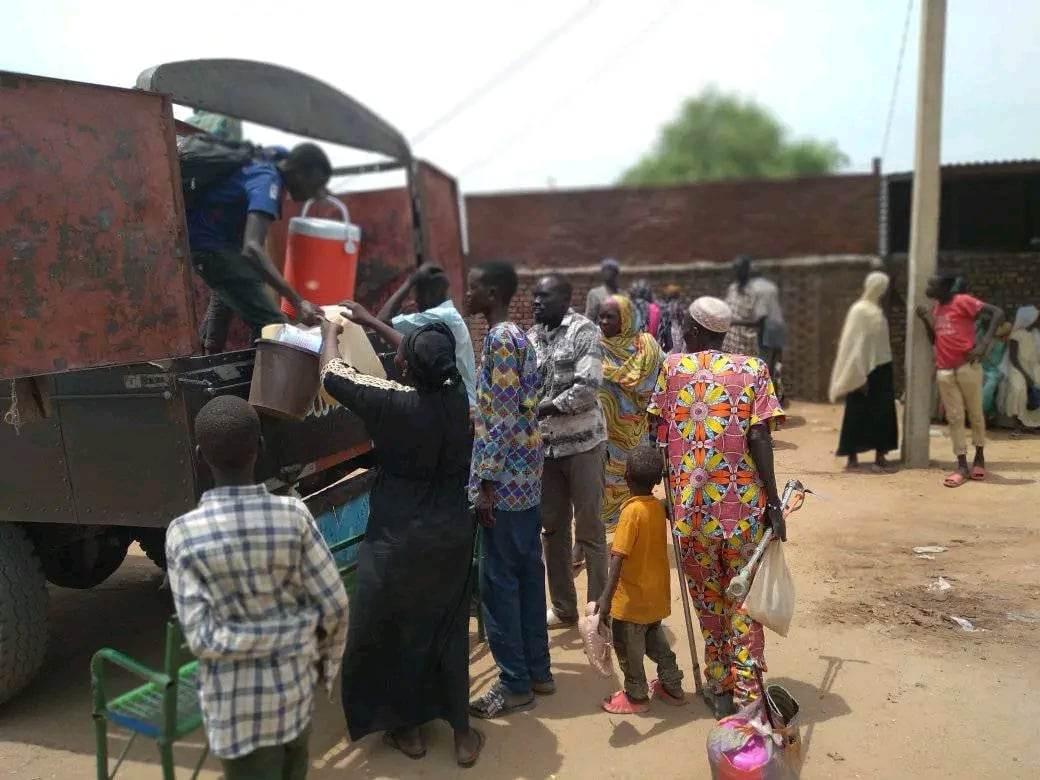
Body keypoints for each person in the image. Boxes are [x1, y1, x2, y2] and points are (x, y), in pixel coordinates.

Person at [319, 319, 484, 767]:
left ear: (408, 370)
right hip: (450, 536)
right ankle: (463, 734)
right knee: (447, 630)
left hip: (397, 537)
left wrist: (329, 331)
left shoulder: (391, 404)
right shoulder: (457, 397)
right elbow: (428, 358)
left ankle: (406, 729)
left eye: (402, 359)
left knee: (392, 627)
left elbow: (332, 375)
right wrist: (376, 323)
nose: (395, 361)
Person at [166, 395, 348, 779]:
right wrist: (322, 665)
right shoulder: (294, 516)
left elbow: (203, 638)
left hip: (237, 717)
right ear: (260, 447)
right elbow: (335, 606)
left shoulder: (183, 534)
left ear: (200, 456)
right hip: (294, 697)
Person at [648, 296, 785, 717]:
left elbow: (656, 431)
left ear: (692, 328)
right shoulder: (753, 370)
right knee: (743, 606)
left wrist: (669, 487)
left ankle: (719, 685)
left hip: (692, 513)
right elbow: (760, 438)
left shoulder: (671, 370)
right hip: (743, 510)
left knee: (708, 602)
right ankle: (748, 694)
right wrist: (774, 502)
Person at [464, 261, 554, 719]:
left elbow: (499, 417)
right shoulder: (521, 337)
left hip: (505, 484)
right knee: (525, 576)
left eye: (474, 286)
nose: (467, 292)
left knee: (499, 585)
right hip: (527, 477)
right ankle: (538, 670)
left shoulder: (499, 339)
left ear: (493, 292)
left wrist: (484, 484)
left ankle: (514, 683)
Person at [188, 143, 331, 354]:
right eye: (315, 185)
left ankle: (207, 355)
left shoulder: (279, 157)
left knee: (236, 288)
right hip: (211, 246)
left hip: (218, 243)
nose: (314, 194)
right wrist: (298, 301)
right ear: (300, 174)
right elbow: (253, 248)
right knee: (273, 325)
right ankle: (262, 380)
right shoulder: (267, 181)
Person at [529, 274, 609, 628]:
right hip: (546, 452)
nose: (536, 303)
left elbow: (588, 387)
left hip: (584, 446)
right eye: (534, 296)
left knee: (590, 529)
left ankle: (597, 611)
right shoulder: (530, 338)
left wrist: (542, 408)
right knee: (552, 529)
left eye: (543, 297)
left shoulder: (584, 331)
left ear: (564, 298)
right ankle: (563, 608)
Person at [594, 445, 685, 715]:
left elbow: (618, 558)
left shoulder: (630, 513)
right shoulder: (658, 508)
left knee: (628, 650)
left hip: (630, 603)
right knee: (655, 641)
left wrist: (605, 598)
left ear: (626, 476)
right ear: (657, 481)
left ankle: (636, 695)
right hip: (655, 599)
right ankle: (672, 684)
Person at [915, 274, 1005, 487]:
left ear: (946, 287)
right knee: (954, 418)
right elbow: (935, 339)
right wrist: (926, 320)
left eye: (932, 284)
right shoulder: (937, 307)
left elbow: (998, 313)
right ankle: (962, 465)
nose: (928, 287)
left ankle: (979, 458)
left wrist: (983, 344)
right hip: (945, 370)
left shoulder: (963, 301)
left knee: (975, 413)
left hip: (967, 368)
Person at [598, 295, 665, 529]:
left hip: (633, 432)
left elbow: (663, 376)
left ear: (625, 319)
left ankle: (632, 534)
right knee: (600, 489)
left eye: (610, 317)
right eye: (601, 316)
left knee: (633, 484)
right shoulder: (596, 347)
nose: (603, 322)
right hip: (602, 435)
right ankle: (598, 540)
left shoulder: (646, 346)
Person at [376, 263, 477, 408]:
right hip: (461, 403)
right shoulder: (447, 314)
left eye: (418, 294)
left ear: (430, 294)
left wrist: (409, 281)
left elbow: (381, 320)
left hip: (460, 406)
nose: (415, 300)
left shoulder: (441, 315)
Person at [829, 272, 899, 472]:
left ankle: (880, 454)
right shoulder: (859, 310)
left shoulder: (877, 310)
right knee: (857, 411)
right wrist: (858, 374)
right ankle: (852, 455)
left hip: (882, 367)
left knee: (883, 412)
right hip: (861, 370)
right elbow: (852, 345)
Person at [1001, 305, 1040, 431]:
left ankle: (1034, 422)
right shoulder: (1016, 335)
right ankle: (1016, 423)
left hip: (1033, 367)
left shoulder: (1035, 334)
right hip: (1017, 368)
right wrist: (1026, 375)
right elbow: (1013, 358)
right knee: (1018, 389)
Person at [721, 255, 761, 357]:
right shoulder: (732, 289)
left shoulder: (755, 291)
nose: (737, 272)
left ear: (747, 270)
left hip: (746, 346)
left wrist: (734, 322)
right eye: (735, 269)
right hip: (729, 344)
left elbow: (758, 321)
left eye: (740, 269)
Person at [981, 322, 1012, 421]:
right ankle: (988, 411)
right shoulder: (992, 340)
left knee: (989, 388)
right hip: (984, 367)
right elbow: (985, 355)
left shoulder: (1007, 343)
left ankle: (986, 411)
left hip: (996, 370)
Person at [657, 283, 686, 354]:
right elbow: (681, 320)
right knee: (676, 347)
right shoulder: (678, 305)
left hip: (666, 328)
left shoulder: (665, 305)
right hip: (675, 328)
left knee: (668, 347)